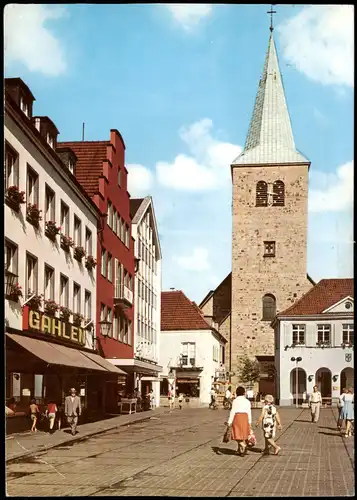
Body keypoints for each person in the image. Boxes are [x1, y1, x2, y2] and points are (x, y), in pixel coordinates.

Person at [226, 386, 251, 456]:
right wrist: (250, 421)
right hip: (245, 417)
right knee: (243, 434)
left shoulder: (235, 401)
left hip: (237, 417)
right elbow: (249, 412)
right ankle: (240, 450)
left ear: (237, 393)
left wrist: (229, 421)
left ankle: (243, 445)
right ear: (244, 393)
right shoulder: (247, 401)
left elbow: (232, 411)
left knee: (236, 434)